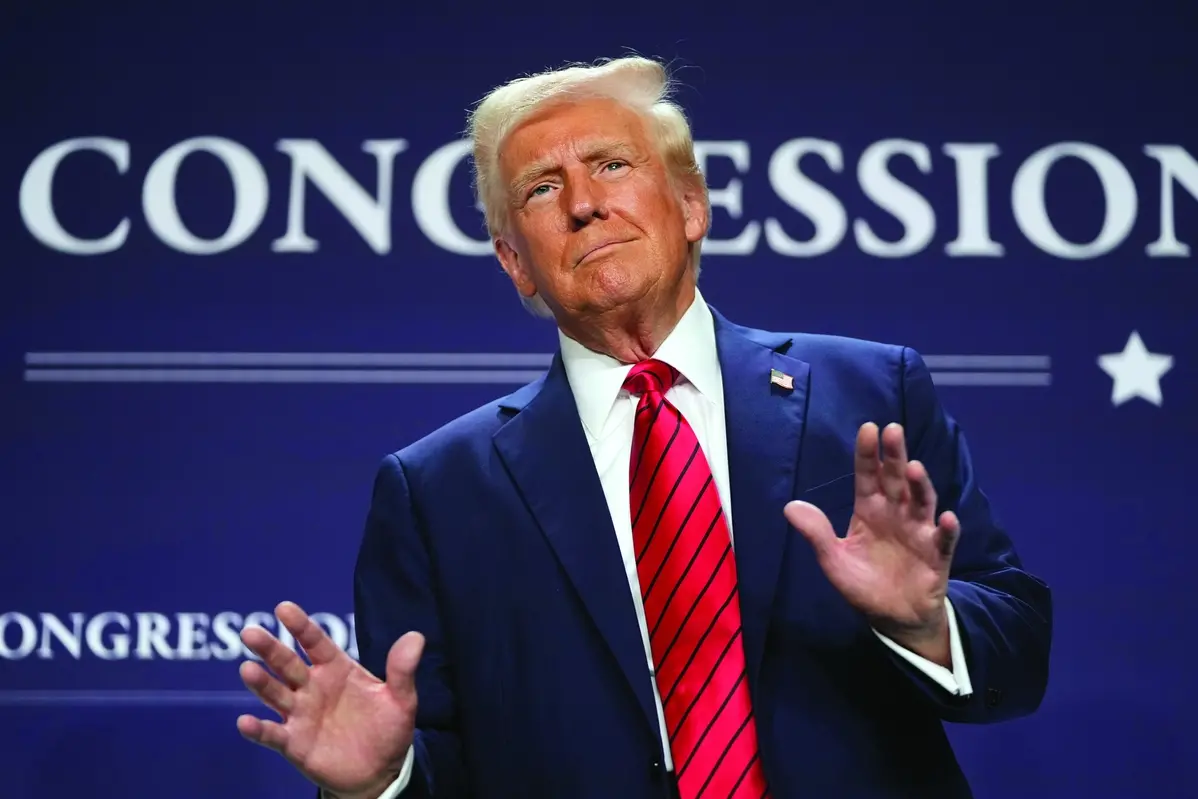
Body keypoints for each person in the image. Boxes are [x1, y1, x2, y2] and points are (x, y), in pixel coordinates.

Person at [235, 56, 1052, 799]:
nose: (585, 204)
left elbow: (1019, 658)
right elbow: (438, 761)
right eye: (542, 190)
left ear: (690, 204)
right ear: (515, 260)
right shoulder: (435, 489)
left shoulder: (873, 389)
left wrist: (925, 624)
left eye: (612, 166)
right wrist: (383, 779)